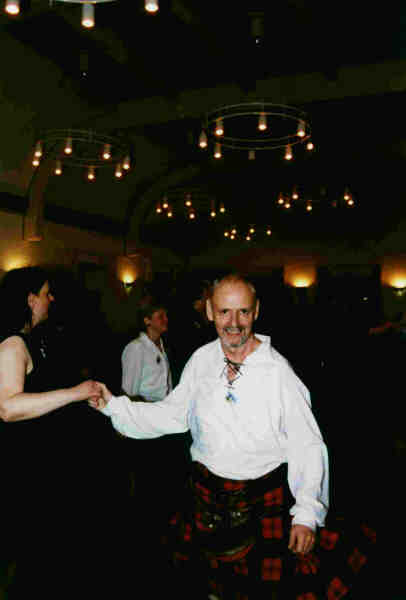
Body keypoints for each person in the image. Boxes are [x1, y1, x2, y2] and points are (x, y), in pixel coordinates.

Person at [92, 274, 375, 599]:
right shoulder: (201, 360)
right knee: (213, 587)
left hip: (262, 500)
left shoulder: (277, 371)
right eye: (224, 312)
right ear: (210, 311)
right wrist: (114, 407)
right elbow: (172, 414)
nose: (234, 323)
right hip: (206, 498)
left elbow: (307, 443)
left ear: (256, 311)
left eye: (243, 312)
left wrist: (306, 512)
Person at [0, 266, 101, 597]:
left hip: (39, 468)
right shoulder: (13, 344)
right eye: (46, 293)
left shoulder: (35, 339)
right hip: (21, 472)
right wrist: (74, 393)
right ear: (30, 299)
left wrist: (79, 396)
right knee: (28, 561)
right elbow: (7, 407)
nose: (51, 299)